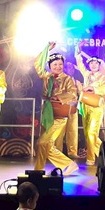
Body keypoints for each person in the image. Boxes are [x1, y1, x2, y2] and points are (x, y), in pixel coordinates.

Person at [33, 42, 79, 176]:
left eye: (60, 64)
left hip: (59, 115)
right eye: (55, 65)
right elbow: (37, 63)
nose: (58, 67)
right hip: (47, 113)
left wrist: (59, 97)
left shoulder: (68, 79)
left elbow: (72, 94)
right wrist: (46, 50)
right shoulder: (46, 77)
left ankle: (69, 163)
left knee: (43, 142)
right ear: (50, 66)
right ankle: (38, 170)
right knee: (45, 144)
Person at [75, 40, 105, 166]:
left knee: (91, 133)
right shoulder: (86, 74)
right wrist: (78, 48)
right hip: (86, 106)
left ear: (99, 65)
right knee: (88, 133)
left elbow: (104, 89)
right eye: (91, 63)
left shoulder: (102, 77)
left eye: (96, 63)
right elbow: (79, 62)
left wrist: (92, 89)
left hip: (96, 106)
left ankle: (91, 159)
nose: (93, 65)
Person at [55, 62, 80, 160]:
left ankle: (72, 152)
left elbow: (80, 93)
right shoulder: (60, 80)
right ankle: (58, 151)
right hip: (62, 108)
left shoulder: (76, 81)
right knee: (60, 130)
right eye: (68, 68)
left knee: (73, 130)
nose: (70, 70)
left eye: (72, 68)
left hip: (73, 108)